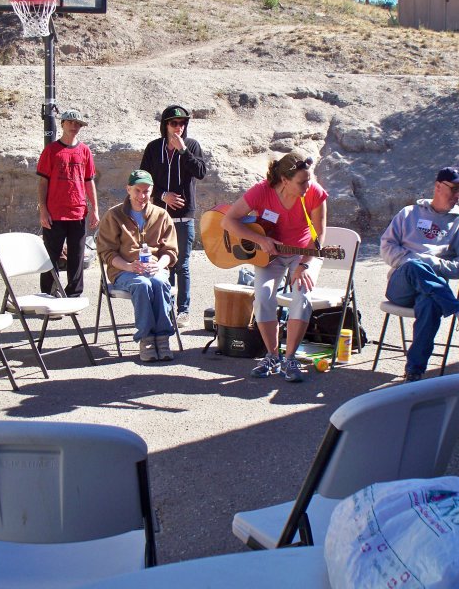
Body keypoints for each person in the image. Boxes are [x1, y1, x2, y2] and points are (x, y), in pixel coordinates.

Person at [220, 151, 327, 383]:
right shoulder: (261, 191)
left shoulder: (314, 193)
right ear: (285, 181)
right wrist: (260, 240)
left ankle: (290, 359)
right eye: (302, 182)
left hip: (304, 252)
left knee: (302, 294)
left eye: (309, 179)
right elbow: (227, 220)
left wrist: (305, 265)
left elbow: (319, 235)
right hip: (271, 254)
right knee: (263, 296)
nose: (308, 185)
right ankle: (272, 356)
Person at [380, 166, 459, 382]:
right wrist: (417, 262)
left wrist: (434, 265)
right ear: (437, 186)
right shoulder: (409, 214)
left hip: (431, 292)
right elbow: (387, 247)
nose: (458, 195)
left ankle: (414, 371)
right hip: (401, 285)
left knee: (429, 303)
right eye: (454, 189)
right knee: (414, 266)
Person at [96, 169, 178, 362]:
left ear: (152, 191)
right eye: (138, 191)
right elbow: (107, 252)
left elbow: (170, 251)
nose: (142, 196)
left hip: (154, 268)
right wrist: (129, 266)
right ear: (128, 189)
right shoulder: (114, 215)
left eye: (146, 191)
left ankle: (163, 338)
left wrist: (159, 265)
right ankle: (147, 339)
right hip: (124, 270)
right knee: (142, 285)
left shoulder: (161, 215)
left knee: (159, 283)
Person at [140, 105, 207, 328]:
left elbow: (200, 172)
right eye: (174, 123)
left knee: (182, 265)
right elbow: (143, 180)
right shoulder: (153, 148)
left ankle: (183, 311)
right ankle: (165, 308)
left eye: (182, 123)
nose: (179, 127)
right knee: (161, 263)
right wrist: (162, 195)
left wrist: (183, 151)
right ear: (165, 125)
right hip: (159, 215)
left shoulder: (192, 146)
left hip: (183, 217)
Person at [36, 109, 99, 297]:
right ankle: (48, 294)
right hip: (54, 213)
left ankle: (73, 295)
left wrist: (95, 209)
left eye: (78, 124)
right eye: (71, 122)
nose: (74, 126)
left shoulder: (85, 151)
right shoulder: (51, 150)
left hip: (78, 212)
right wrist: (43, 210)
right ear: (62, 124)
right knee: (51, 256)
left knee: (77, 257)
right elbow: (42, 182)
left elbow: (89, 181)